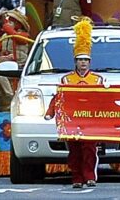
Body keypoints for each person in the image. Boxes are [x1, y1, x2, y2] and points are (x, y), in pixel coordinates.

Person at [44, 18, 104, 189]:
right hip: (71, 121)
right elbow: (59, 97)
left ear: (90, 62)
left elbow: (103, 101)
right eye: (80, 60)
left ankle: (90, 176)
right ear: (75, 62)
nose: (83, 63)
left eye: (86, 60)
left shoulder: (97, 79)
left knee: (90, 149)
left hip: (90, 122)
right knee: (75, 151)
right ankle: (77, 178)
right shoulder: (66, 79)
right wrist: (50, 112)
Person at [0, 9, 31, 111]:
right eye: (8, 22)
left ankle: (12, 98)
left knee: (1, 74)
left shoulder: (24, 35)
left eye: (11, 22)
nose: (8, 24)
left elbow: (19, 39)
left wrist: (9, 30)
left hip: (20, 66)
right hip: (6, 65)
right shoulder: (4, 36)